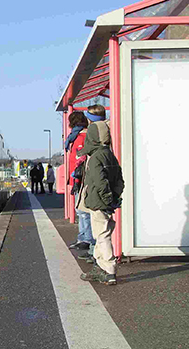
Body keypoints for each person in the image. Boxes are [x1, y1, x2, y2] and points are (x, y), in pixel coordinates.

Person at [75, 104, 124, 285]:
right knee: (101, 233)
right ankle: (98, 266)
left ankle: (109, 270)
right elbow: (119, 180)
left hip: (98, 202)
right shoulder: (109, 155)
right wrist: (115, 198)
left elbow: (98, 181)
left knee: (102, 235)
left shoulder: (95, 157)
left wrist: (105, 199)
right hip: (106, 202)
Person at [65, 112, 96, 256]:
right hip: (77, 178)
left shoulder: (81, 137)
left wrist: (76, 177)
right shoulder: (77, 137)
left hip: (81, 179)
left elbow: (80, 159)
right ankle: (83, 237)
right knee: (80, 210)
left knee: (83, 211)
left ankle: (87, 239)